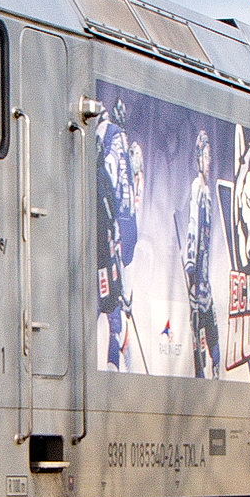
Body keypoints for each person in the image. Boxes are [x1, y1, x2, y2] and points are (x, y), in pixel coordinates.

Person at [95, 100, 144, 369]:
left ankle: (114, 363)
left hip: (111, 237)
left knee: (109, 307)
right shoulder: (123, 142)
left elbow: (110, 187)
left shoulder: (106, 136)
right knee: (117, 306)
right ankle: (119, 363)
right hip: (123, 238)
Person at [181, 129, 219, 378]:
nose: (208, 161)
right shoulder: (197, 188)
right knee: (198, 325)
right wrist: (191, 264)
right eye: (205, 156)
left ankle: (214, 371)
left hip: (205, 278)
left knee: (210, 325)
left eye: (210, 156)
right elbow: (193, 225)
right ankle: (201, 373)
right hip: (198, 275)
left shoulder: (207, 191)